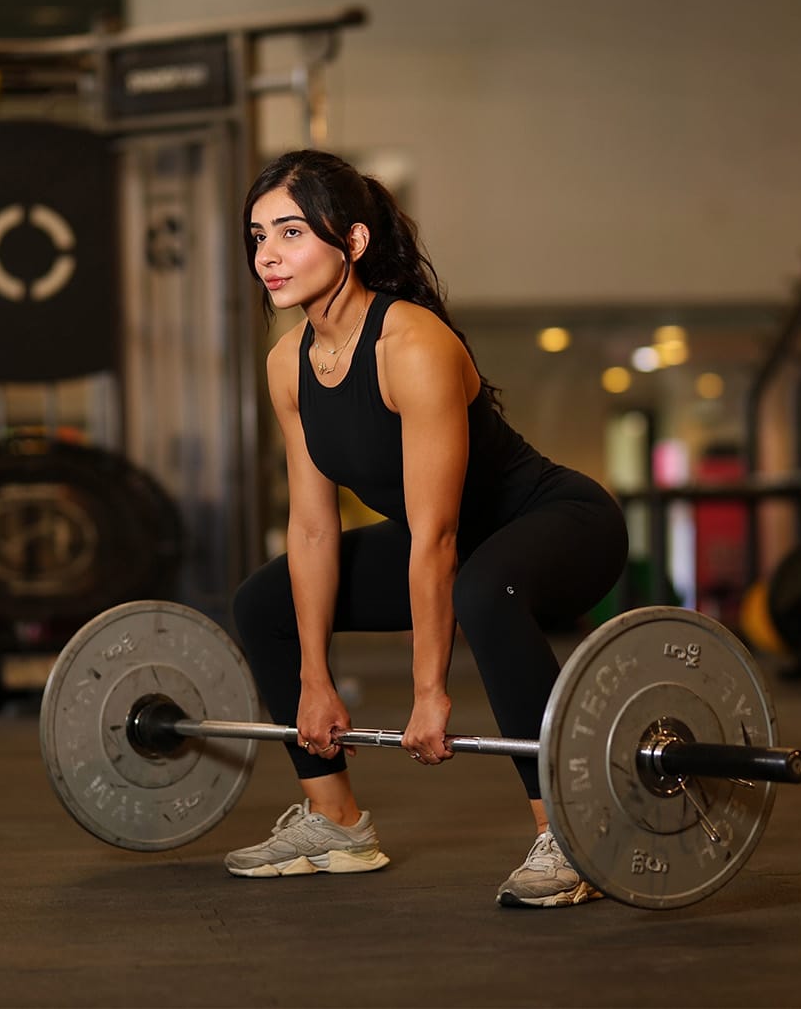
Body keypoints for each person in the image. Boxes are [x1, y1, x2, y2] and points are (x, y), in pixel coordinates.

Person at [226, 149, 628, 908]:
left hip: (561, 524)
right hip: (454, 545)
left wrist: (429, 692)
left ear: (353, 242)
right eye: (256, 237)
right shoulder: (289, 364)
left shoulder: (413, 346)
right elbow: (312, 529)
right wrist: (315, 681)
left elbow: (436, 536)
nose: (268, 257)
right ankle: (335, 819)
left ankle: (569, 835)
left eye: (289, 233)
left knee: (482, 588)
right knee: (262, 603)